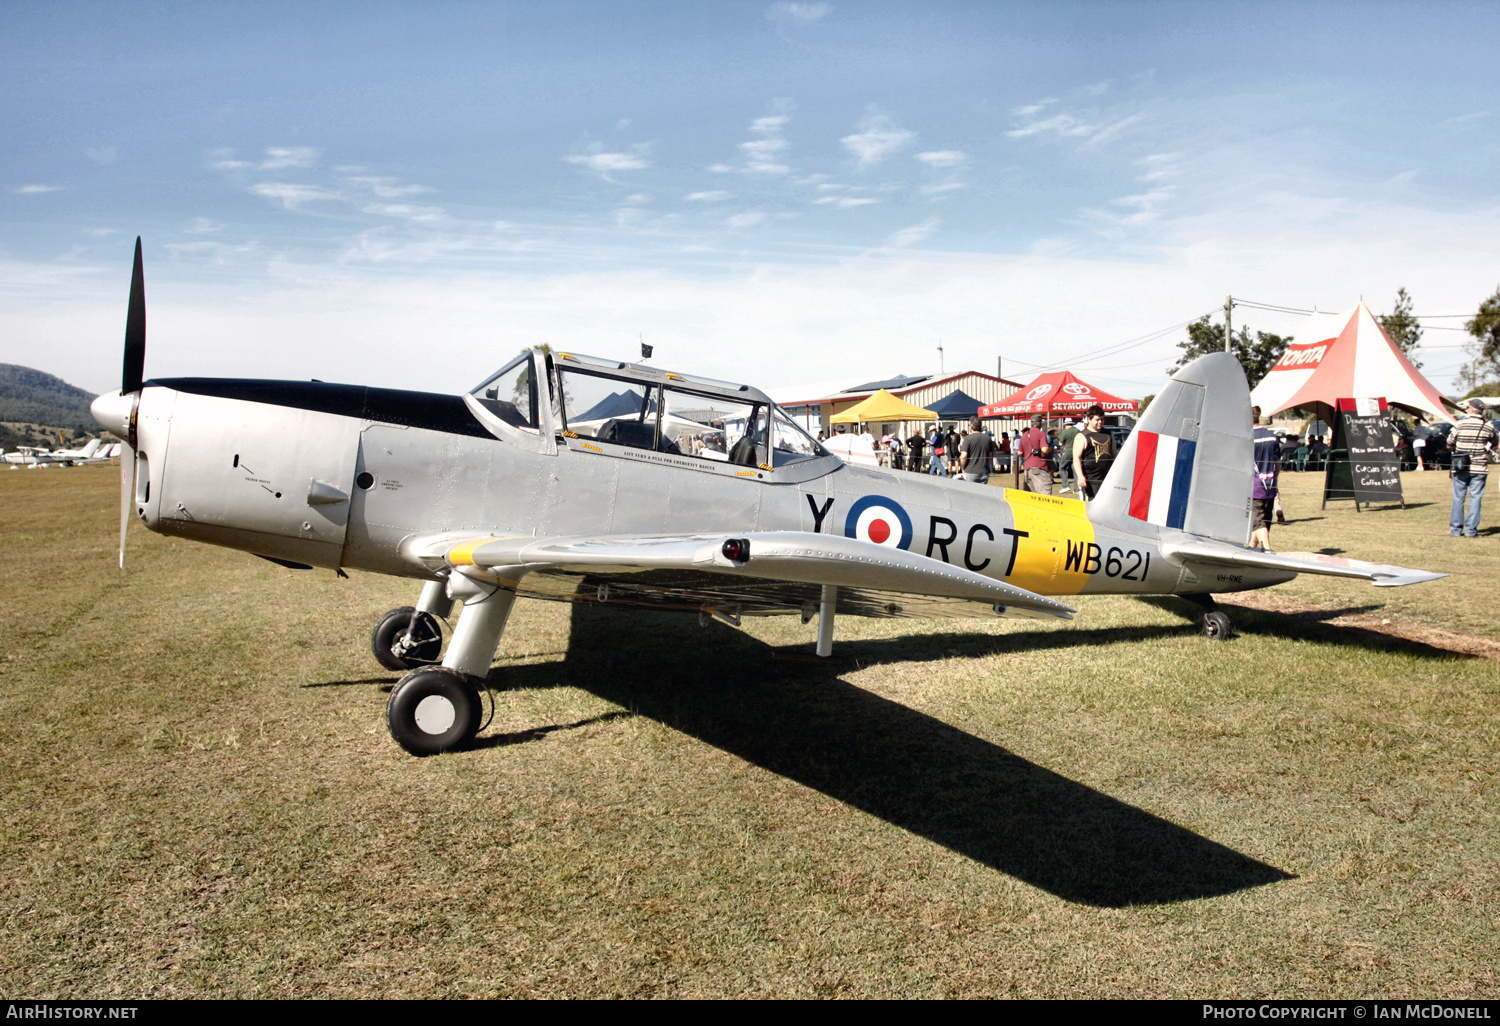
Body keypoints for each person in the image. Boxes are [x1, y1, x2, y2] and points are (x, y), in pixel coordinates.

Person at [1449, 398, 1498, 537]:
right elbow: (1494, 440)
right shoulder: (1488, 426)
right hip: (1479, 467)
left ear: (1470, 409)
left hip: (1461, 466)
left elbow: (1450, 441)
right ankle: (1471, 530)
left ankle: (1456, 530)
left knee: (1458, 498)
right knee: (1476, 498)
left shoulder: (1460, 424)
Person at [1250, 406, 1281, 550]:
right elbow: (1278, 462)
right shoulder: (1272, 436)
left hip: (1255, 484)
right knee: (1265, 519)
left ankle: (1267, 549)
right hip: (1270, 482)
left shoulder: (1248, 438)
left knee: (1258, 521)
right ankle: (1252, 548)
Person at [1071, 405, 1116, 501]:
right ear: (1089, 419)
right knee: (1091, 506)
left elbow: (1114, 455)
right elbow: (1076, 458)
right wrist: (1080, 476)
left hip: (1107, 478)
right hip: (1090, 480)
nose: (1100, 422)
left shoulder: (1108, 434)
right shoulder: (1082, 436)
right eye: (1097, 420)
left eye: (1102, 419)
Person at [1016, 415, 1052, 494]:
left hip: (1027, 469)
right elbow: (1044, 449)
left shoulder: (1025, 434)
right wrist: (1050, 449)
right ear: (1040, 423)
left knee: (1030, 496)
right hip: (1039, 467)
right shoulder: (1041, 434)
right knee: (1045, 494)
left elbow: (1019, 453)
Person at [958, 417, 997, 484]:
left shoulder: (968, 439)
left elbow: (963, 456)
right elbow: (990, 457)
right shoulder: (988, 439)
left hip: (970, 471)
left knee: (970, 493)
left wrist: (962, 468)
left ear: (971, 427)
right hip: (984, 472)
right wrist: (986, 467)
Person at [1057, 417, 1081, 494]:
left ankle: (1066, 486)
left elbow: (1060, 443)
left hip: (1068, 451)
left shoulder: (1065, 432)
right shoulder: (1077, 431)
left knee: (1062, 468)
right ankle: (1077, 489)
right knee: (1075, 470)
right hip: (1077, 451)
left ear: (1066, 425)